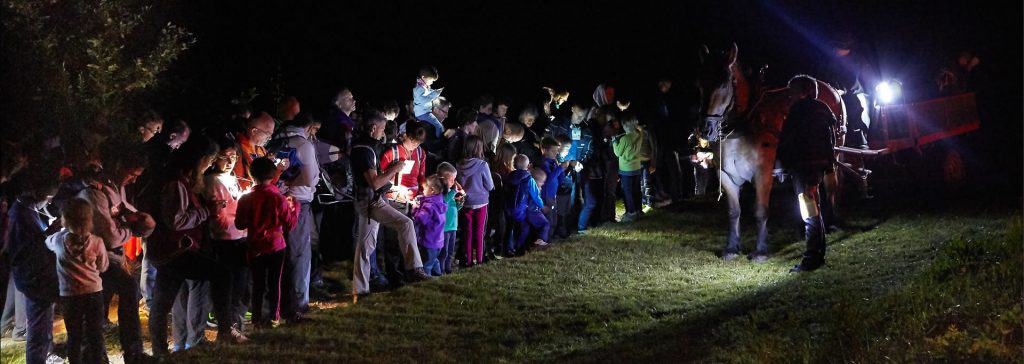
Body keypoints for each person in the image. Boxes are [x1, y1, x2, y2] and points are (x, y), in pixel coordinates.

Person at [145, 137, 246, 358]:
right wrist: (206, 211)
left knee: (163, 303)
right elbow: (176, 221)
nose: (209, 165)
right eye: (209, 160)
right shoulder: (176, 184)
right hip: (176, 250)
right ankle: (223, 330)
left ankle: (163, 351)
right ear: (199, 159)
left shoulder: (181, 181)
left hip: (172, 250)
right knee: (221, 274)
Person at [78, 151, 151, 362]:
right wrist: (131, 230)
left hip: (109, 258)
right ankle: (100, 353)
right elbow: (110, 236)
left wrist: (136, 219)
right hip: (97, 259)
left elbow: (124, 213)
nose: (134, 179)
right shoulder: (94, 193)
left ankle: (126, 352)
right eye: (132, 174)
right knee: (100, 304)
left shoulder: (115, 188)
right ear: (118, 164)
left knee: (106, 302)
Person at [350, 111, 430, 297]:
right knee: (406, 224)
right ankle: (414, 269)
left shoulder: (366, 146)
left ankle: (360, 291)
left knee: (365, 247)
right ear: (372, 128)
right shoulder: (364, 149)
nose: (384, 133)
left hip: (367, 200)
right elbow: (375, 183)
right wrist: (395, 168)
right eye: (382, 129)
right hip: (371, 201)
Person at [777, 75, 837, 272]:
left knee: (809, 212)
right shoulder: (822, 109)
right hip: (817, 167)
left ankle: (811, 259)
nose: (789, 96)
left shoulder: (798, 111)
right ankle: (818, 255)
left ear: (803, 92)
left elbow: (788, 139)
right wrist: (828, 165)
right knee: (814, 209)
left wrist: (783, 163)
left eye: (792, 92)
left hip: (804, 167)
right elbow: (830, 140)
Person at [235, 157, 299, 329]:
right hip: (276, 245)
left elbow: (239, 224)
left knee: (257, 283)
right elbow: (290, 224)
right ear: (272, 175)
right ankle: (273, 317)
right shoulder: (278, 198)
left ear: (251, 174)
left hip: (254, 245)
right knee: (274, 283)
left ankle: (256, 318)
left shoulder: (246, 198)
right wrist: (296, 208)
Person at [46, 198, 110, 364]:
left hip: (70, 296)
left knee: (74, 335)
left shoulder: (58, 240)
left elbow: (47, 242)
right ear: (90, 219)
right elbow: (103, 267)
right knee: (95, 334)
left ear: (65, 219)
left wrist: (57, 229)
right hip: (94, 293)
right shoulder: (97, 242)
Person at [7, 170, 61, 364]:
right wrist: (52, 232)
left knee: (44, 322)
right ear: (39, 193)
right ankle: (38, 358)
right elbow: (27, 248)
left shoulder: (26, 208)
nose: (49, 202)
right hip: (33, 278)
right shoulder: (21, 213)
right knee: (38, 326)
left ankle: (45, 353)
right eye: (49, 198)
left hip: (38, 276)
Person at [271, 112, 320, 322]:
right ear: (308, 128)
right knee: (299, 255)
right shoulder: (304, 144)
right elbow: (309, 178)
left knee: (280, 255)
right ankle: (298, 304)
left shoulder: (275, 141)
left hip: (276, 200)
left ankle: (278, 303)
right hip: (298, 203)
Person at [202, 139, 249, 331]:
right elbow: (218, 214)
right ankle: (225, 321)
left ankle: (235, 320)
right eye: (225, 157)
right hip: (223, 238)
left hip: (240, 235)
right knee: (227, 282)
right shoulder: (212, 180)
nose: (230, 162)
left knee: (240, 281)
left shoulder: (232, 178)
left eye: (234, 157)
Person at [456, 136, 494, 267]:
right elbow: (489, 185)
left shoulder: (459, 164)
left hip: (466, 202)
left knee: (468, 232)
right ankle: (479, 259)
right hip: (481, 202)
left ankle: (467, 261)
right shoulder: (482, 165)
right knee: (480, 232)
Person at [505, 155, 549, 255]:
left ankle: (509, 248)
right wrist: (542, 206)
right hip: (522, 210)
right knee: (524, 228)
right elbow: (535, 196)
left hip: (509, 208)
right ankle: (519, 248)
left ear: (514, 165)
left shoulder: (510, 176)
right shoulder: (529, 179)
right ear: (528, 166)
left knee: (510, 229)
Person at [411, 175, 448, 276]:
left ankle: (426, 282)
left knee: (426, 264)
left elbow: (420, 219)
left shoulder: (429, 205)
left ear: (432, 190)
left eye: (424, 188)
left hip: (428, 241)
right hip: (438, 241)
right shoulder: (440, 201)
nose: (422, 191)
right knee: (434, 260)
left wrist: (415, 208)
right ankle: (438, 275)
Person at [234, 112, 278, 191]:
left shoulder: (261, 149)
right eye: (267, 134)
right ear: (254, 131)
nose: (269, 138)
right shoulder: (237, 150)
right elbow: (242, 182)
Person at [613, 113, 644, 222]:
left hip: (626, 169)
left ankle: (631, 213)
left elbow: (617, 153)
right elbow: (641, 130)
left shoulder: (625, 139)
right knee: (636, 190)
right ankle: (639, 211)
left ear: (625, 125)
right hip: (637, 167)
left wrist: (613, 141)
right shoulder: (639, 134)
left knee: (627, 191)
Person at [435, 163, 463, 274]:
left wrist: (459, 204)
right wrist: (454, 192)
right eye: (452, 180)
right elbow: (444, 202)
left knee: (450, 250)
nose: (454, 182)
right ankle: (440, 269)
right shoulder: (441, 193)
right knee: (443, 251)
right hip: (445, 228)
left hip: (453, 226)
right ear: (443, 179)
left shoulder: (450, 193)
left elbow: (452, 208)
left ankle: (448, 267)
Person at [538, 137, 566, 235]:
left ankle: (551, 237)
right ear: (544, 150)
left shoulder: (553, 162)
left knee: (554, 217)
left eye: (557, 151)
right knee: (548, 218)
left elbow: (558, 178)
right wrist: (560, 168)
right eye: (553, 151)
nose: (556, 153)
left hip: (553, 194)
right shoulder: (543, 163)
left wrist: (562, 171)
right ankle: (545, 239)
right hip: (546, 196)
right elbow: (549, 179)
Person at [412, 66, 445, 139]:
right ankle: (438, 142)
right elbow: (424, 100)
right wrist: (435, 93)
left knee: (437, 126)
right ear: (423, 77)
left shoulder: (423, 86)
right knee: (439, 127)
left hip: (424, 112)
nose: (432, 82)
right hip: (423, 113)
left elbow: (428, 93)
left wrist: (435, 91)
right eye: (431, 80)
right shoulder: (418, 89)